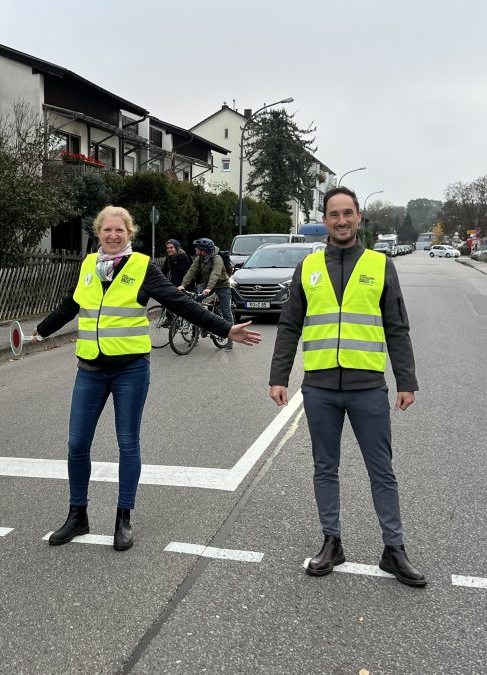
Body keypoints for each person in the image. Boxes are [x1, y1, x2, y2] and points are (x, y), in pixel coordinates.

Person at [36, 206, 261, 551]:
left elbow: (179, 303)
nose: (113, 236)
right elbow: (71, 306)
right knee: (77, 444)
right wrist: (38, 332)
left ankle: (123, 517)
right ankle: (77, 515)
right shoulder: (87, 266)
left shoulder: (142, 267)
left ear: (130, 234)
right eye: (107, 230)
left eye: (120, 231)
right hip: (90, 369)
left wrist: (226, 327)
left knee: (128, 443)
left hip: (130, 370)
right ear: (99, 233)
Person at [268, 186, 425, 587]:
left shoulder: (379, 264)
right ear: (325, 219)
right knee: (325, 468)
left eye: (347, 213)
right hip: (319, 387)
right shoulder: (308, 268)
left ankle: (394, 549)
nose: (341, 221)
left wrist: (405, 380)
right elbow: (289, 325)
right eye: (333, 214)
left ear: (359, 218)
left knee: (381, 471)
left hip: (367, 386)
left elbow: (397, 326)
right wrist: (278, 376)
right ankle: (332, 541)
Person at [178, 237, 234, 350]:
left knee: (226, 311)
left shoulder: (217, 258)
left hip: (222, 286)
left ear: (203, 250)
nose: (195, 250)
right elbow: (191, 271)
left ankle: (230, 339)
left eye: (197, 248)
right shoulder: (199, 258)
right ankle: (195, 335)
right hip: (207, 284)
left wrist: (208, 288)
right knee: (194, 305)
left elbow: (215, 274)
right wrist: (183, 285)